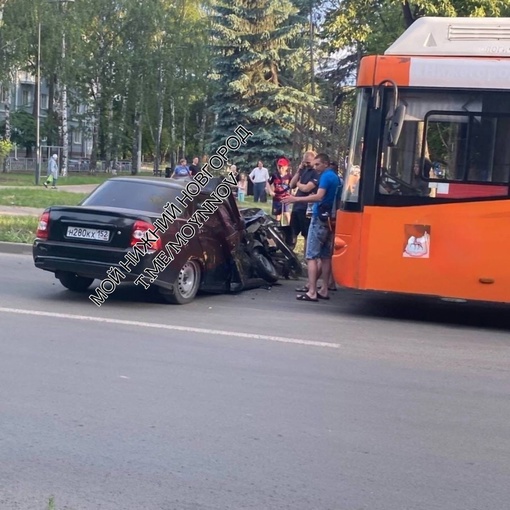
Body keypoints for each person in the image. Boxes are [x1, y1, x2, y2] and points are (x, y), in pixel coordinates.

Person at [282, 153, 340, 302]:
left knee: (311, 256)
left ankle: (312, 291)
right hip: (330, 219)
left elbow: (319, 196)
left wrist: (296, 198)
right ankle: (324, 289)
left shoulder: (326, 177)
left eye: (317, 164)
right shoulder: (336, 178)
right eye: (314, 165)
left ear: (326, 164)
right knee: (326, 257)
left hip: (319, 217)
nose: (315, 168)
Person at [289, 151, 319, 256]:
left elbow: (307, 188)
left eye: (308, 162)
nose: (306, 164)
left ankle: (306, 256)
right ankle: (290, 253)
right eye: (304, 162)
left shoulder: (316, 173)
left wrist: (299, 184)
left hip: (306, 208)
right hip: (297, 206)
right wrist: (299, 170)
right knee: (292, 231)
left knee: (307, 234)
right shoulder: (304, 170)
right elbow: (291, 185)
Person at [268, 157, 292, 224]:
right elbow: (267, 183)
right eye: (279, 167)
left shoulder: (289, 176)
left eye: (282, 167)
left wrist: (293, 191)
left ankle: (290, 229)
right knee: (278, 216)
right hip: (277, 198)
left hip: (285, 197)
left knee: (287, 214)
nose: (280, 169)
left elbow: (294, 184)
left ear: (286, 167)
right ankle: (278, 228)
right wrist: (270, 191)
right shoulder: (274, 175)